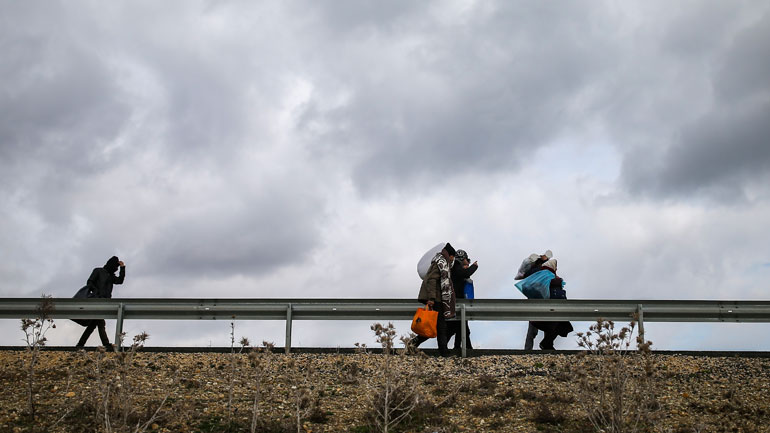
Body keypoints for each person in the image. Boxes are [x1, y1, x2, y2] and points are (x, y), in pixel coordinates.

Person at [411, 243, 456, 356]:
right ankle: (444, 353)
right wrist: (431, 298)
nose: (453, 260)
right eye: (452, 257)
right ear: (449, 255)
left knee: (434, 326)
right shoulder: (440, 263)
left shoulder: (441, 262)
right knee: (440, 327)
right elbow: (431, 280)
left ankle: (412, 344)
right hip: (436, 299)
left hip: (437, 298)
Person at [74, 256, 126, 350]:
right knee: (100, 322)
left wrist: (122, 268)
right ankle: (106, 344)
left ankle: (80, 345)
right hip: (96, 300)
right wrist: (95, 292)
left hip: (105, 302)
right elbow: (90, 282)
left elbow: (120, 281)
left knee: (94, 323)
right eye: (115, 266)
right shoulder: (98, 271)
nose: (115, 268)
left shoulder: (111, 276)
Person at [529, 259, 573, 350]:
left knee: (556, 325)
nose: (556, 268)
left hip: (551, 308)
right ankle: (546, 344)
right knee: (558, 325)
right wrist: (558, 280)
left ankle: (547, 345)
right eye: (555, 266)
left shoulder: (545, 275)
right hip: (549, 308)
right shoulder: (547, 276)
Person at [516, 250, 552, 350]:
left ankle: (528, 348)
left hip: (532, 301)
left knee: (533, 325)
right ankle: (546, 347)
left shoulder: (529, 271)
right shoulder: (542, 271)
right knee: (546, 323)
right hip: (542, 300)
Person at [447, 249, 477, 353]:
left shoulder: (455, 268)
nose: (467, 261)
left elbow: (464, 275)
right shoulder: (456, 267)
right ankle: (466, 349)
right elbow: (465, 274)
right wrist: (474, 266)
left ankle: (461, 347)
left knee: (460, 326)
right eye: (466, 259)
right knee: (459, 327)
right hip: (457, 301)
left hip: (458, 301)